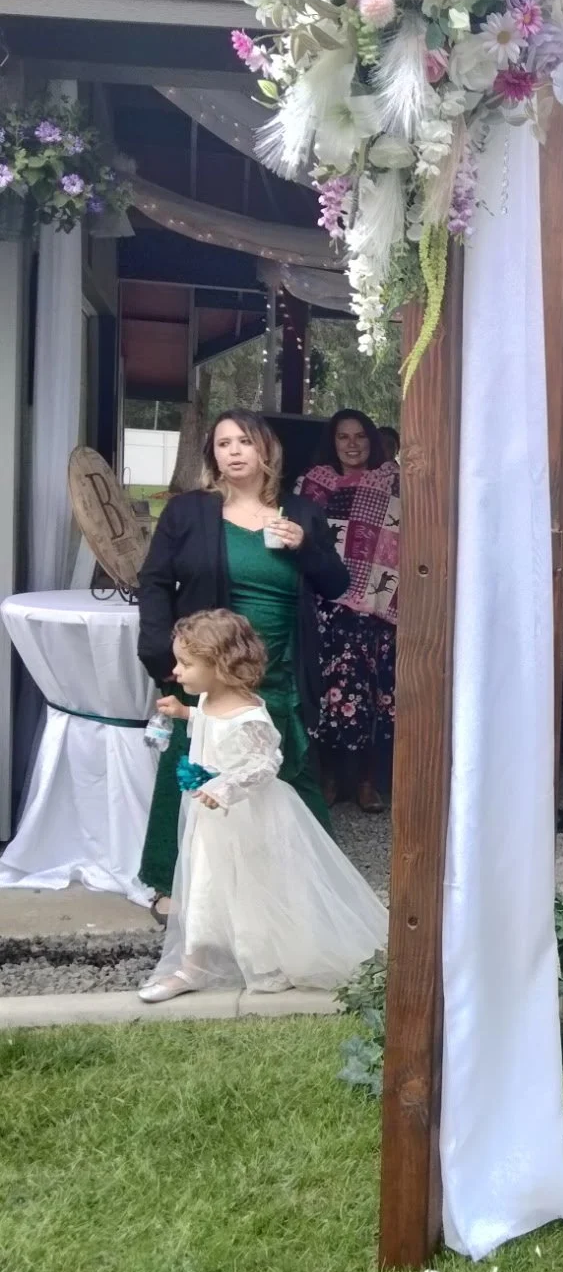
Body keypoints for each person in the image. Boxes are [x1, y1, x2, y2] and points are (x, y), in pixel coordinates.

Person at [136, 409, 348, 906]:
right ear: (213, 454)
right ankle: (171, 883)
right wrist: (160, 651)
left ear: (266, 449)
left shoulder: (302, 513)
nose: (233, 451)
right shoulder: (188, 512)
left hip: (280, 668)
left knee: (287, 766)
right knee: (193, 767)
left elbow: (336, 584)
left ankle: (310, 883)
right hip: (213, 668)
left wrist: (305, 547)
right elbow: (155, 581)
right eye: (223, 443)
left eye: (244, 442)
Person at [138, 610, 387, 1001]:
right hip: (213, 819)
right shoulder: (208, 698)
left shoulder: (250, 716)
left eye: (186, 663)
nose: (176, 670)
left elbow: (266, 763)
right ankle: (193, 964)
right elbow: (211, 724)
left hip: (247, 818)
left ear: (220, 666)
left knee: (252, 890)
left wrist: (226, 786)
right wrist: (187, 714)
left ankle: (266, 963)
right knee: (202, 884)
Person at [294, 409, 400, 812]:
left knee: (373, 695)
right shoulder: (311, 486)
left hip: (374, 610)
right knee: (325, 694)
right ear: (332, 442)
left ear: (372, 440)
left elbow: (405, 538)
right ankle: (331, 777)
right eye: (343, 437)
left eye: (360, 436)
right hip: (326, 605)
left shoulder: (394, 483)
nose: (352, 444)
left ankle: (368, 782)